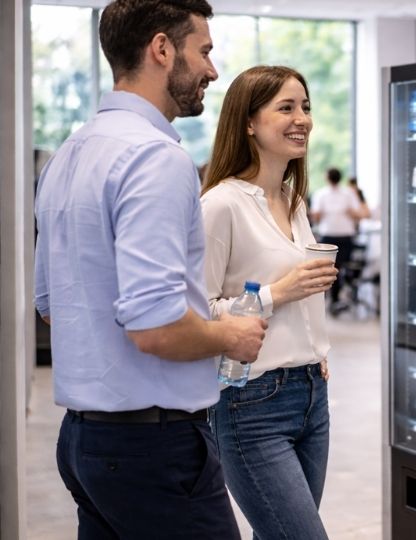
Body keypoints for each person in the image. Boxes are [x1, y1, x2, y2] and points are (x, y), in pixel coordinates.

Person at [33, 1, 267, 538]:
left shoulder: (68, 155)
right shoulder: (155, 158)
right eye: (203, 51)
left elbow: (51, 309)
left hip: (84, 443)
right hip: (154, 450)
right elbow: (156, 328)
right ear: (162, 49)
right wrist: (229, 333)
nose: (212, 69)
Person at [201, 65, 339, 540]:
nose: (302, 118)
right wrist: (279, 293)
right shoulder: (221, 205)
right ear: (248, 122)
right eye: (286, 107)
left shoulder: (293, 199)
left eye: (305, 107)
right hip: (250, 402)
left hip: (311, 396)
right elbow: (197, 311)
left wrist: (317, 351)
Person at [310, 167, 370, 311]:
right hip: (344, 237)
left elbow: (316, 217)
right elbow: (358, 214)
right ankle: (335, 299)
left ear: (327, 178)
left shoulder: (320, 194)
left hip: (328, 236)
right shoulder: (348, 194)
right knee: (339, 268)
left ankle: (329, 299)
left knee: (327, 269)